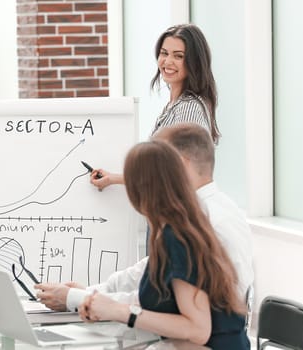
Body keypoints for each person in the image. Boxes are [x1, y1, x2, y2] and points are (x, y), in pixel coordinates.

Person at [36, 123, 253, 314]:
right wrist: (88, 294)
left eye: (155, 165)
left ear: (179, 164)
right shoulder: (198, 212)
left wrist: (80, 299)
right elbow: (148, 273)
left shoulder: (210, 221)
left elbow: (163, 303)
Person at [79, 139, 249, 349]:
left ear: (137, 190)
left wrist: (119, 311)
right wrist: (99, 301)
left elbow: (197, 330)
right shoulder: (176, 228)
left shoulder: (177, 237)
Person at [90, 23, 220, 190]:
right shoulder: (173, 106)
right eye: (164, 53)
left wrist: (116, 178)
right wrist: (113, 178)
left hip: (176, 212)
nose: (168, 61)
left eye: (178, 56)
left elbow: (179, 172)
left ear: (193, 63)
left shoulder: (189, 108)